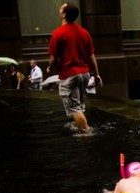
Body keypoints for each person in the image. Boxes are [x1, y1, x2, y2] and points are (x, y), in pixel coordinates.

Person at [47, 2, 101, 137]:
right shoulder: (84, 32)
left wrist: (50, 68)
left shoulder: (58, 33)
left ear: (64, 14)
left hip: (70, 75)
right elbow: (91, 56)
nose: (59, 10)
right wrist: (96, 74)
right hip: (85, 74)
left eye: (61, 8)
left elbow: (54, 57)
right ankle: (80, 125)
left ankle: (87, 133)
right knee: (79, 103)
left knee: (73, 108)